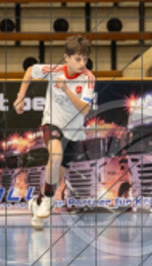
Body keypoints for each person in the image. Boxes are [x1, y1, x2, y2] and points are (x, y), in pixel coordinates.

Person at [13, 36, 95, 230]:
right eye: (77, 59)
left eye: (84, 59)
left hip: (74, 131)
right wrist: (20, 97)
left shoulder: (88, 78)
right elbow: (30, 71)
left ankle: (38, 204)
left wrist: (66, 89)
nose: (82, 63)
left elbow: (84, 110)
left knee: (56, 176)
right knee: (55, 154)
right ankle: (49, 201)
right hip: (52, 122)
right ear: (66, 57)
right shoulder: (54, 70)